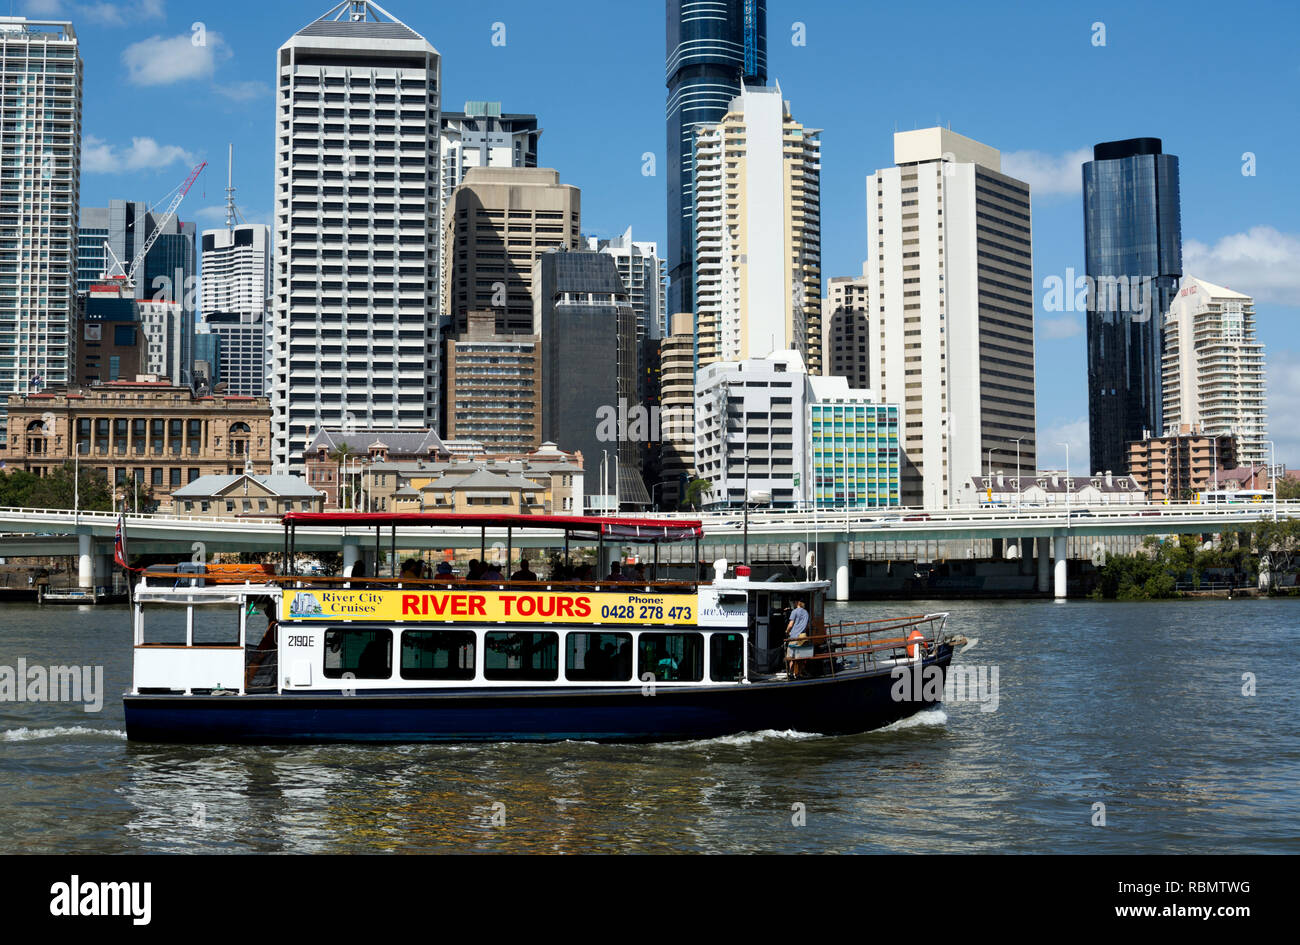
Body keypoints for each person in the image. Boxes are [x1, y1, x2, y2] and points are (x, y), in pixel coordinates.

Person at [785, 599, 811, 679]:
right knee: (800, 657)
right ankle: (798, 673)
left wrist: (787, 631)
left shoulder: (794, 612)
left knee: (791, 657)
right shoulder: (806, 612)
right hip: (802, 637)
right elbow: (807, 626)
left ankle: (791, 673)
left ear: (797, 603)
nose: (793, 603)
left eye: (794, 602)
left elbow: (790, 624)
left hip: (794, 636)